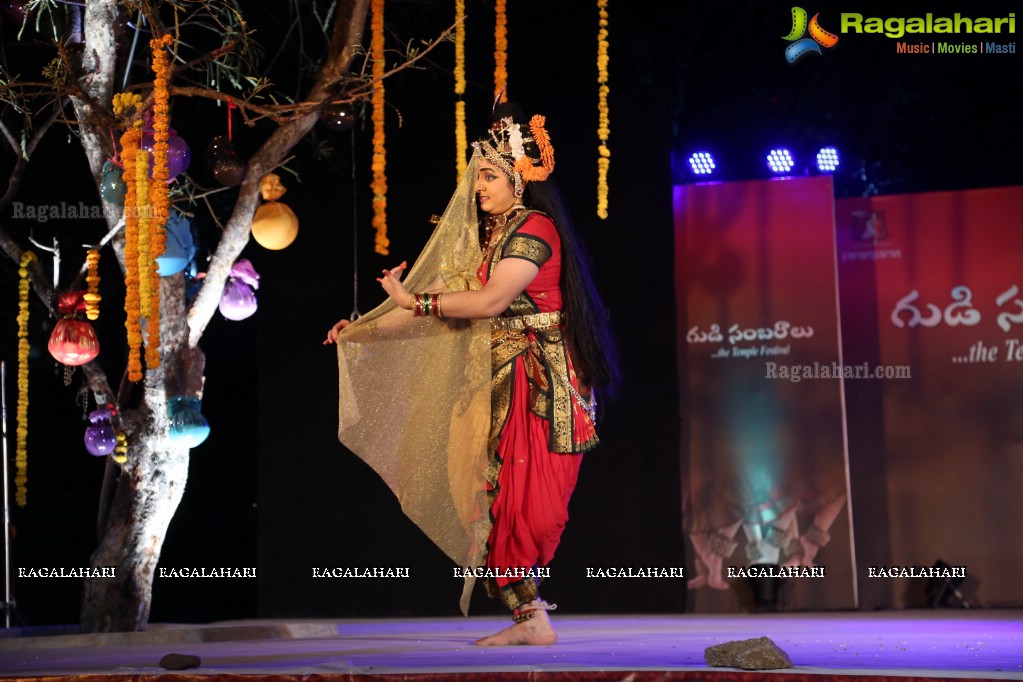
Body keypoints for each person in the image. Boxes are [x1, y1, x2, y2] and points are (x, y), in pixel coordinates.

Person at [325, 104, 617, 646]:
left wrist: (418, 302)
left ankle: (531, 620)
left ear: (516, 179)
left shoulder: (536, 229)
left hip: (540, 386)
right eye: (475, 175)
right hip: (491, 383)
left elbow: (487, 301)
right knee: (479, 497)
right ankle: (531, 621)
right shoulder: (485, 240)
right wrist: (361, 330)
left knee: (528, 509)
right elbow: (440, 305)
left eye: (487, 175)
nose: (476, 186)